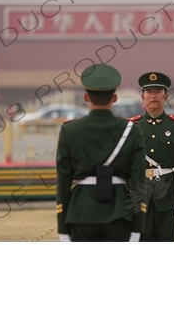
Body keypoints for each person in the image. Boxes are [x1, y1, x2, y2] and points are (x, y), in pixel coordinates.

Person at [56, 63, 147, 242]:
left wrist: (63, 228)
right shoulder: (131, 130)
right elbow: (138, 183)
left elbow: (63, 183)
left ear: (85, 97)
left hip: (81, 213)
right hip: (119, 211)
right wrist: (137, 227)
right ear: (114, 98)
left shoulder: (69, 130)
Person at [129, 72, 174, 242]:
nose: (153, 96)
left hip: (168, 197)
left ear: (166, 95)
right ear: (143, 96)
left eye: (158, 91)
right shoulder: (132, 126)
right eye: (149, 92)